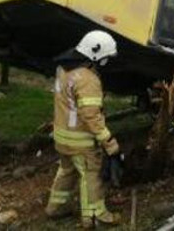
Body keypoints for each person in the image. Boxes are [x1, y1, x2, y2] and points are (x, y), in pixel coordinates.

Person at [45, 30, 122, 228]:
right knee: (91, 175)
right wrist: (109, 142)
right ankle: (95, 216)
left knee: (67, 171)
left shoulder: (63, 69)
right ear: (96, 54)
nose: (105, 63)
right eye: (105, 58)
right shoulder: (88, 79)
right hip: (80, 141)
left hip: (61, 138)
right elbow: (91, 116)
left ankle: (55, 208)